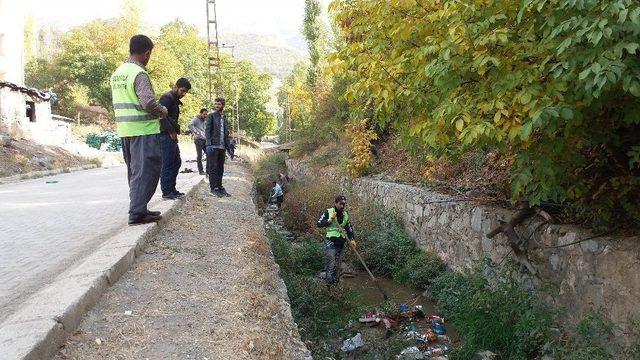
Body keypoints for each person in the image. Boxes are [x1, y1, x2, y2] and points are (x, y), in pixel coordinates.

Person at [110, 34, 168, 225]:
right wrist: (162, 111)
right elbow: (148, 102)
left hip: (125, 130)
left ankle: (139, 208)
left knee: (135, 172)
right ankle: (136, 212)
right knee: (147, 170)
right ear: (147, 53)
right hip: (143, 130)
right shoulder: (139, 73)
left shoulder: (118, 73)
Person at [158, 78, 191, 200]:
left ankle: (172, 189)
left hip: (170, 135)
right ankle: (167, 191)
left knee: (176, 161)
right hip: (165, 135)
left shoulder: (174, 100)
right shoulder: (167, 98)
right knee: (168, 163)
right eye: (182, 90)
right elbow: (161, 116)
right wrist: (171, 131)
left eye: (185, 92)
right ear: (176, 87)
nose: (183, 94)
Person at [316, 195, 356, 285]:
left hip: (341, 243)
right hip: (331, 242)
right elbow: (319, 224)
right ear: (336, 203)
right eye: (340, 204)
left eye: (344, 204)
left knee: (338, 265)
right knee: (331, 262)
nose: (342, 206)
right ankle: (329, 283)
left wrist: (352, 239)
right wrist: (329, 220)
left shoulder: (345, 215)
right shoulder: (328, 212)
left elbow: (349, 228)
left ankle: (335, 284)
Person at [205, 97, 232, 197]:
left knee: (220, 168)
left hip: (222, 146)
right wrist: (208, 144)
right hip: (213, 146)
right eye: (216, 104)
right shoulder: (211, 115)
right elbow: (207, 130)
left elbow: (226, 133)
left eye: (219, 104)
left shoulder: (224, 117)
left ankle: (220, 187)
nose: (217, 106)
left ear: (223, 105)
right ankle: (214, 188)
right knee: (213, 167)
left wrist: (229, 147)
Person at [189, 108, 208, 175]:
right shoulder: (196, 119)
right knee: (199, 156)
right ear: (200, 113)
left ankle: (208, 170)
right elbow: (190, 125)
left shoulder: (204, 120)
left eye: (206, 114)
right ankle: (201, 171)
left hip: (204, 140)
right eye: (204, 114)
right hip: (198, 140)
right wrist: (196, 132)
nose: (205, 116)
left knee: (209, 154)